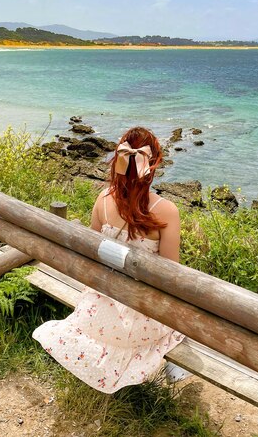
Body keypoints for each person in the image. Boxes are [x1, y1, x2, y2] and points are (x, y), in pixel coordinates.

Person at [32, 126, 186, 393]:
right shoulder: (166, 211)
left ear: (119, 160)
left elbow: (92, 250)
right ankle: (174, 367)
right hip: (136, 320)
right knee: (183, 311)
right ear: (153, 165)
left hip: (96, 310)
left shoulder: (103, 199)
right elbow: (171, 275)